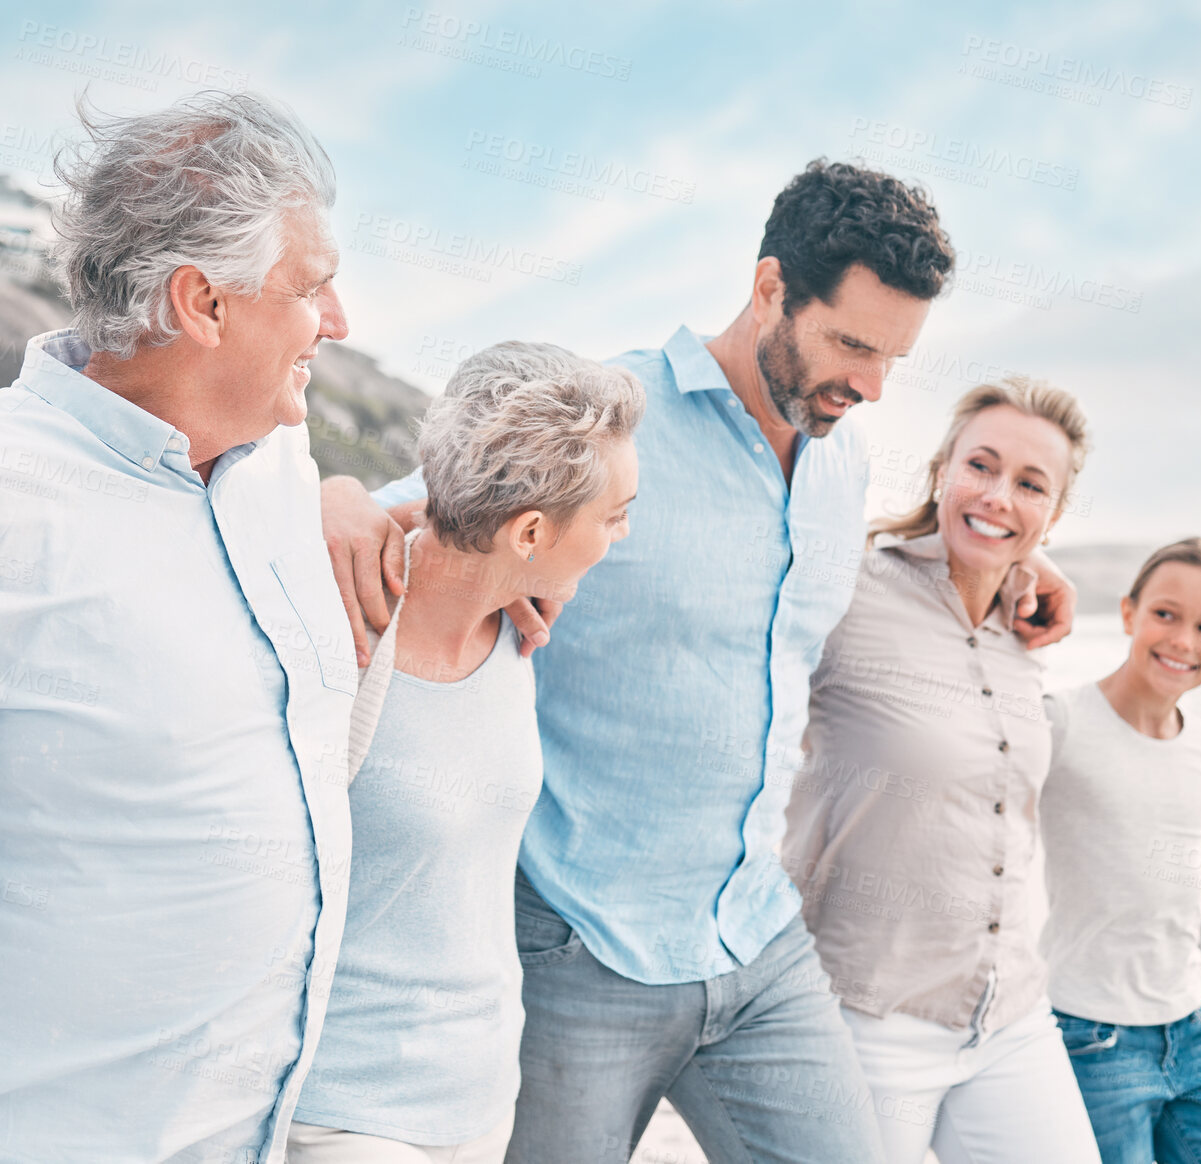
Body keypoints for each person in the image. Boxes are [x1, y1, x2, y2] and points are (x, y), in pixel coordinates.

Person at [320, 160, 1077, 1164]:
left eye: (895, 357)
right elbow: (425, 518)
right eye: (851, 344)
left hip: (758, 942)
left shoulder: (839, 452)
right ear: (771, 288)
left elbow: (853, 605)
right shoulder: (607, 422)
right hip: (579, 948)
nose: (870, 385)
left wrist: (1019, 563)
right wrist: (330, 494)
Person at [0, 91, 354, 1163]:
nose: (338, 324)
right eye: (312, 289)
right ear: (202, 302)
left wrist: (385, 516)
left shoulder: (283, 470)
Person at [288, 342, 642, 1163]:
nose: (623, 533)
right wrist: (328, 495)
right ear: (530, 531)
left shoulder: (519, 629)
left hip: (480, 1102)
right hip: (344, 1113)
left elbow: (452, 531)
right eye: (616, 512)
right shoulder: (337, 632)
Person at [783, 378, 1104, 1164]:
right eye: (981, 467)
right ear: (940, 472)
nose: (998, 495)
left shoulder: (1023, 627)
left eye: (1031, 486)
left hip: (1010, 1013)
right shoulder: (849, 586)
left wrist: (1032, 564)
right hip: (867, 1012)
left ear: (1054, 515)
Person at [1040, 538, 1201, 1164]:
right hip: (1091, 1038)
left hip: (1189, 1038)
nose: (1182, 641)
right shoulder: (1060, 723)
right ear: (1128, 613)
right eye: (1165, 615)